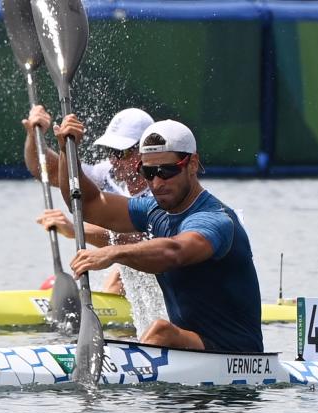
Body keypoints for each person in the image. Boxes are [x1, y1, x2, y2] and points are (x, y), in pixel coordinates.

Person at [53, 116, 263, 352]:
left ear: (192, 164)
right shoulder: (153, 211)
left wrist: (114, 253)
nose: (156, 182)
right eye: (148, 172)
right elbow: (88, 203)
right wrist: (66, 151)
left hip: (237, 353)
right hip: (193, 348)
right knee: (161, 333)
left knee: (161, 331)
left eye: (166, 171)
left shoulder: (215, 219)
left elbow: (175, 252)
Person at [22, 106, 152, 295]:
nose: (114, 160)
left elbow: (139, 242)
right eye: (110, 150)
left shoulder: (162, 190)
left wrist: (75, 230)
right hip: (130, 266)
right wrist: (36, 136)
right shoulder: (107, 173)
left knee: (119, 276)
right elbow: (49, 172)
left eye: (121, 153)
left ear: (145, 151)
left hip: (161, 271)